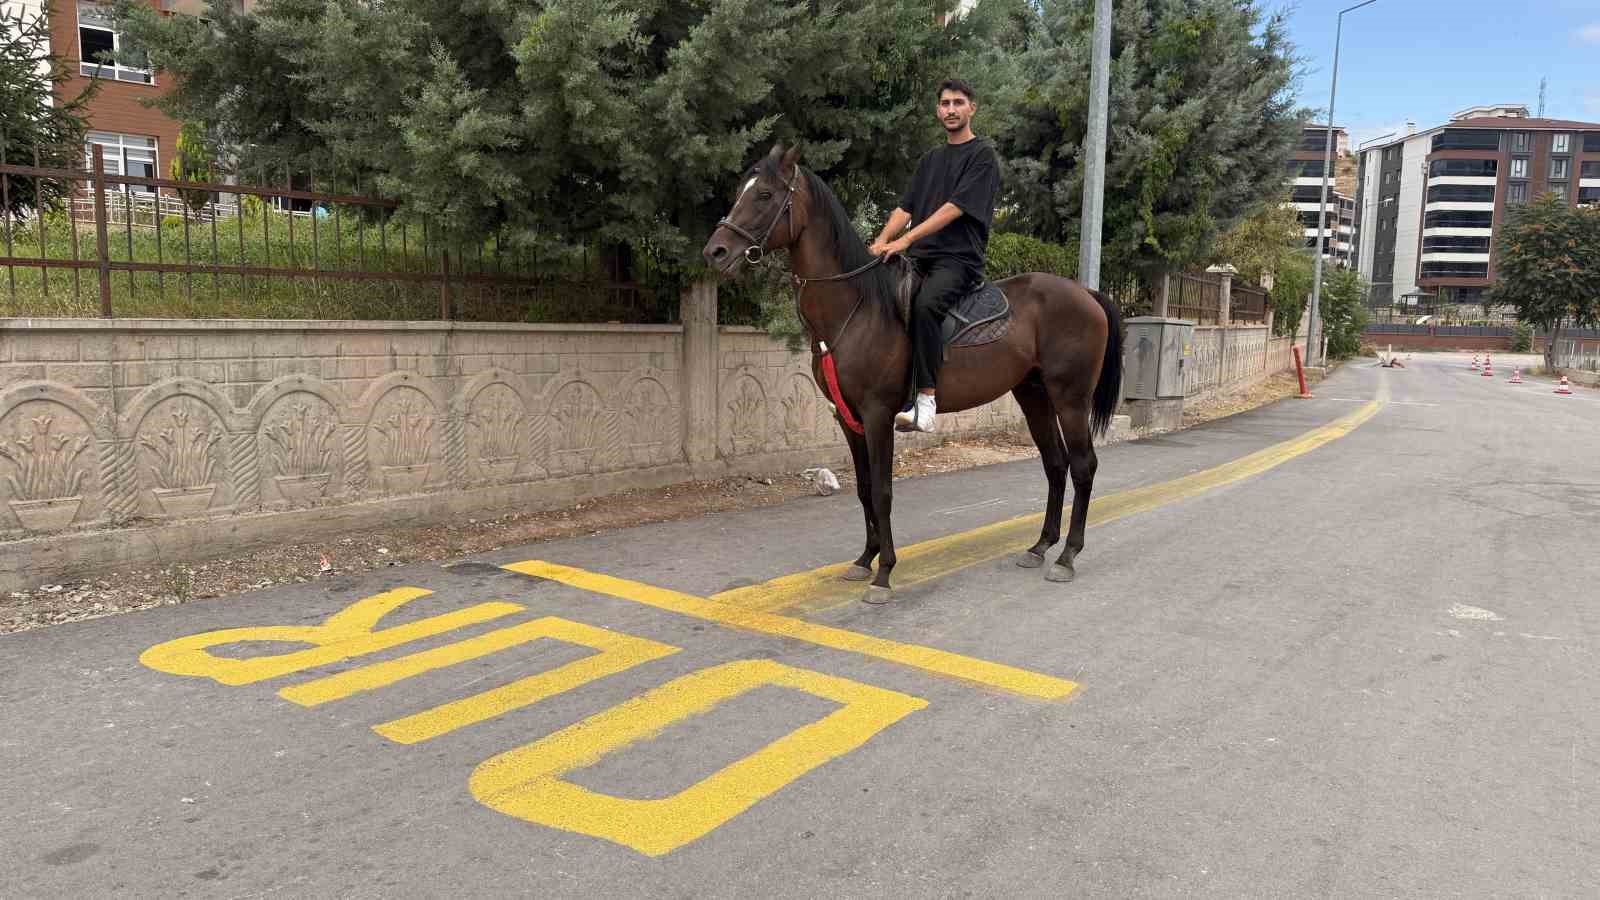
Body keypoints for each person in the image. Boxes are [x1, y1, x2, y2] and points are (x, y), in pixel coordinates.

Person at [867, 78, 1002, 433]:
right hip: (920, 259)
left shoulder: (982, 155)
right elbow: (905, 206)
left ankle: (926, 400)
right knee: (880, 298)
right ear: (937, 110)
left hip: (958, 260)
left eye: (959, 102)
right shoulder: (931, 159)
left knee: (926, 305)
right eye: (945, 103)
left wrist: (905, 240)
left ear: (972, 108)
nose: (951, 109)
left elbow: (954, 207)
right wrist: (881, 240)